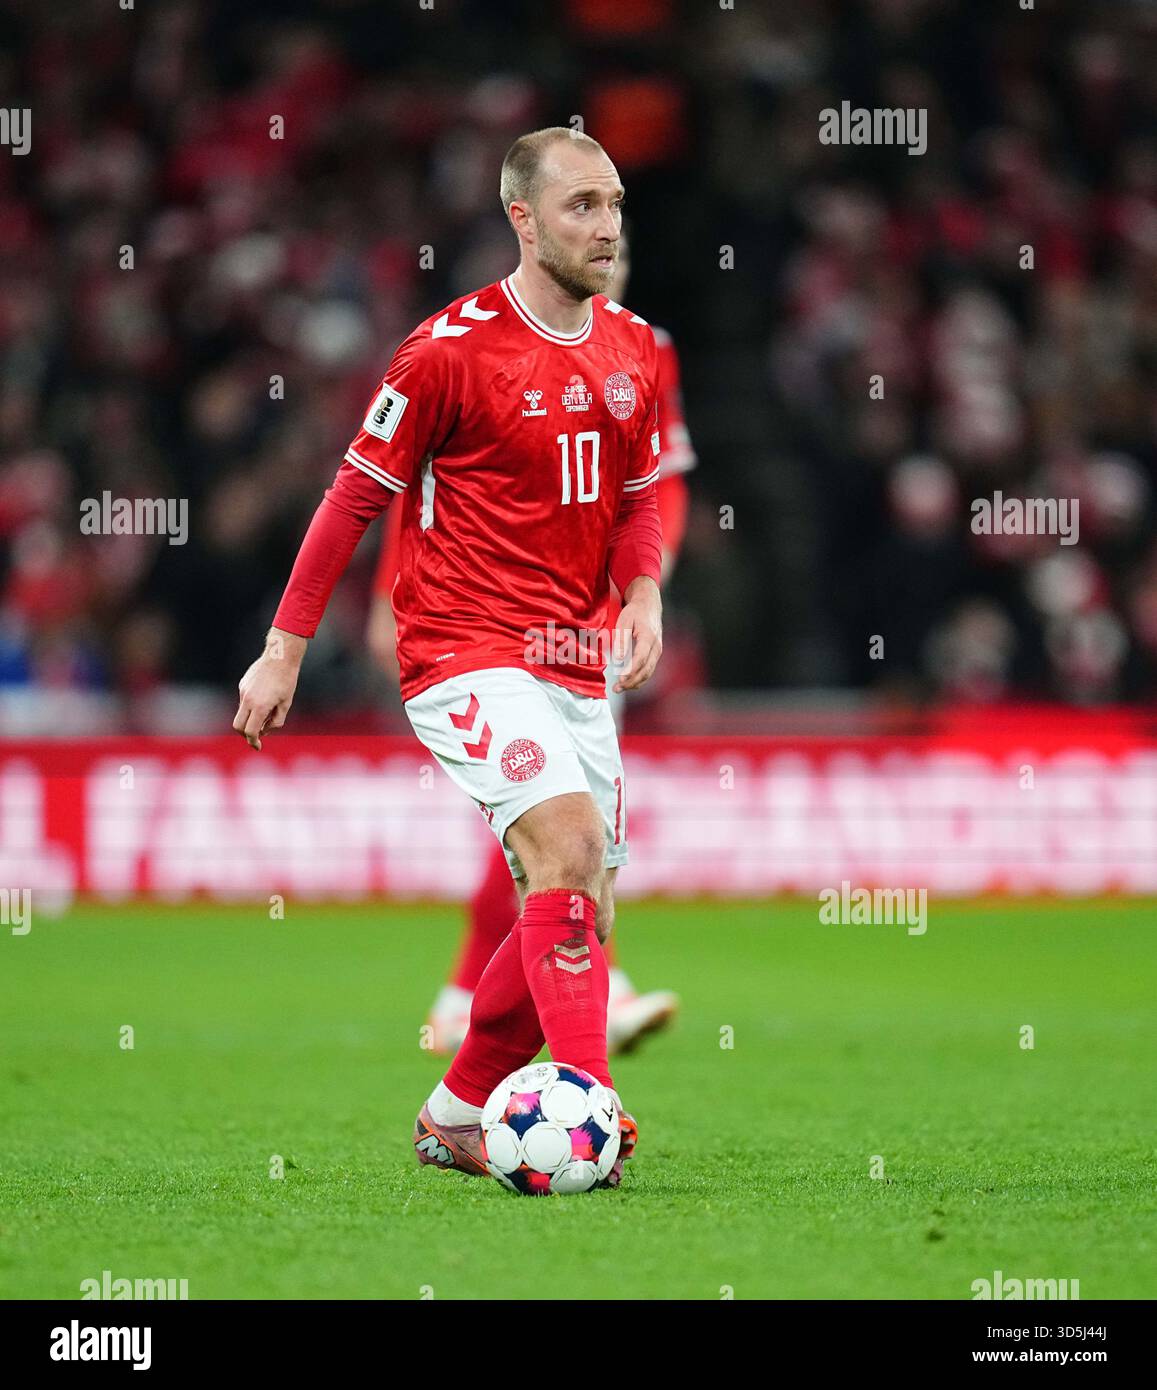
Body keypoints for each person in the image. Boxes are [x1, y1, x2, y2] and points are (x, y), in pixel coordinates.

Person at [234, 127, 664, 1187]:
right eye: (579, 206)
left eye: (611, 202)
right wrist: (282, 653)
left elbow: (638, 497)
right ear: (521, 218)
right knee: (563, 847)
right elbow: (350, 500)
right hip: (462, 649)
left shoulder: (631, 352)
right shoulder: (446, 350)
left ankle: (455, 1108)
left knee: (579, 910)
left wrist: (643, 589)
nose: (604, 224)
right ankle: (588, 1114)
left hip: (573, 660)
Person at [365, 231, 696, 1057]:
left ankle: (465, 1014)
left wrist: (644, 590)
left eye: (619, 252)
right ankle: (584, 1013)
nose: (606, 271)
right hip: (485, 624)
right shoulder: (475, 348)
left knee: (558, 837)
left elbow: (657, 489)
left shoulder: (643, 349)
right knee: (554, 828)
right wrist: (379, 598)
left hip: (590, 625)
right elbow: (417, 486)